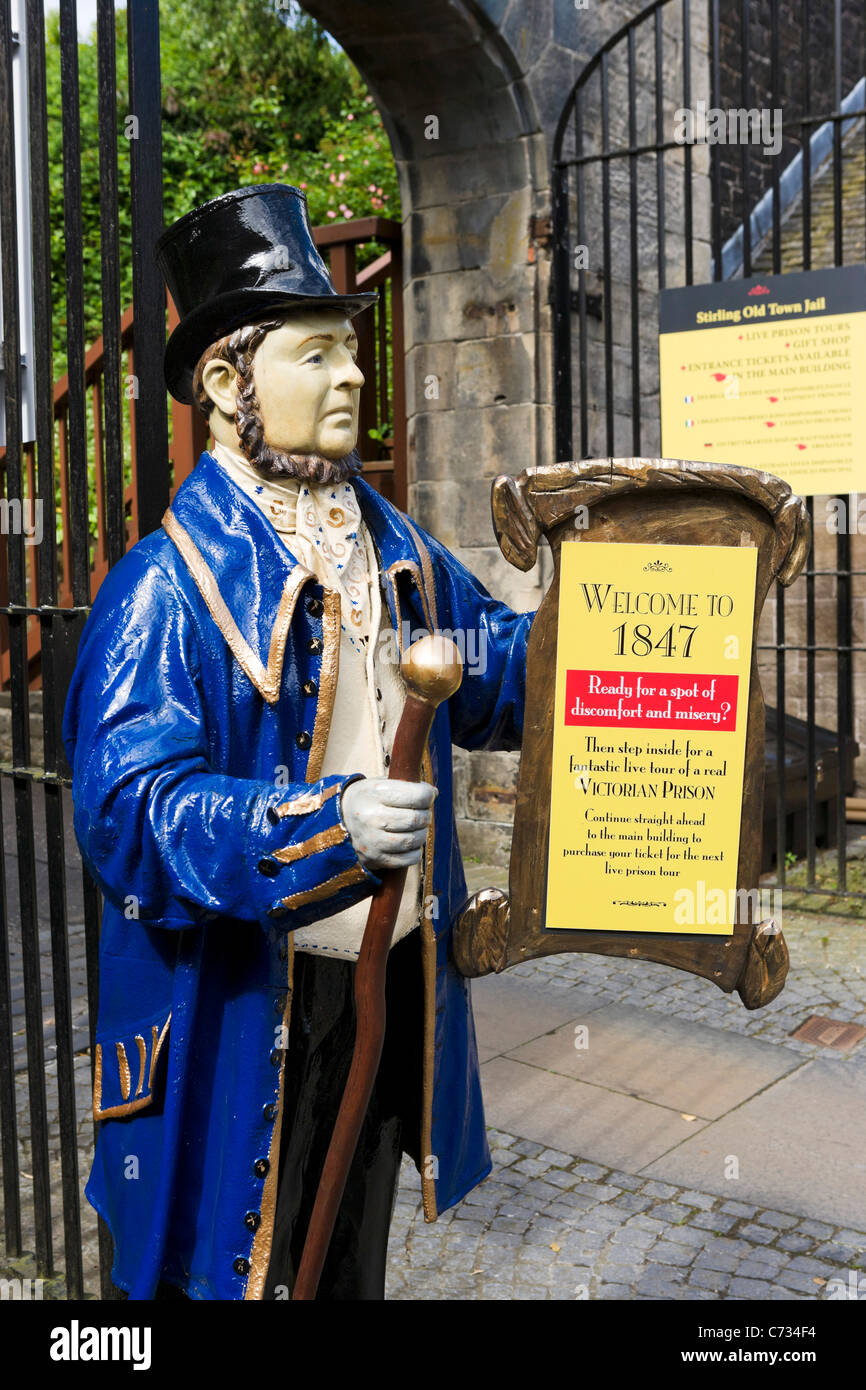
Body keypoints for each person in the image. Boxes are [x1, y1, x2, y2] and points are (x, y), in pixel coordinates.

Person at [63, 184, 534, 1300]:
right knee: (235, 1265)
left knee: (348, 1265)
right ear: (229, 386)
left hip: (388, 979)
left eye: (351, 351)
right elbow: (130, 812)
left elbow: (494, 669)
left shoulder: (392, 540)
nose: (354, 377)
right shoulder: (162, 589)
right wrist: (324, 827)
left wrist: (629, 620)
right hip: (239, 1009)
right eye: (318, 354)